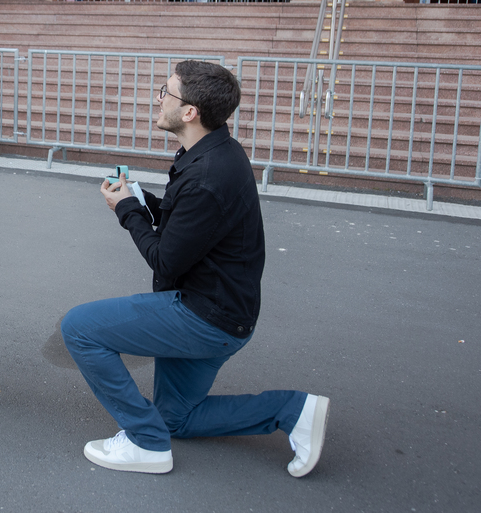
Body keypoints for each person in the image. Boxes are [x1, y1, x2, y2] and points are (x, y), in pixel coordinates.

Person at [61, 61, 329, 475]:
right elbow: (187, 223)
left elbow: (165, 259)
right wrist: (141, 199)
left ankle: (146, 443)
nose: (158, 98)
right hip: (224, 312)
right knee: (176, 419)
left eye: (164, 92)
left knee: (79, 328)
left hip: (204, 317)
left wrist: (127, 211)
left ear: (189, 112)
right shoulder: (212, 150)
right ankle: (294, 410)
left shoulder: (207, 173)